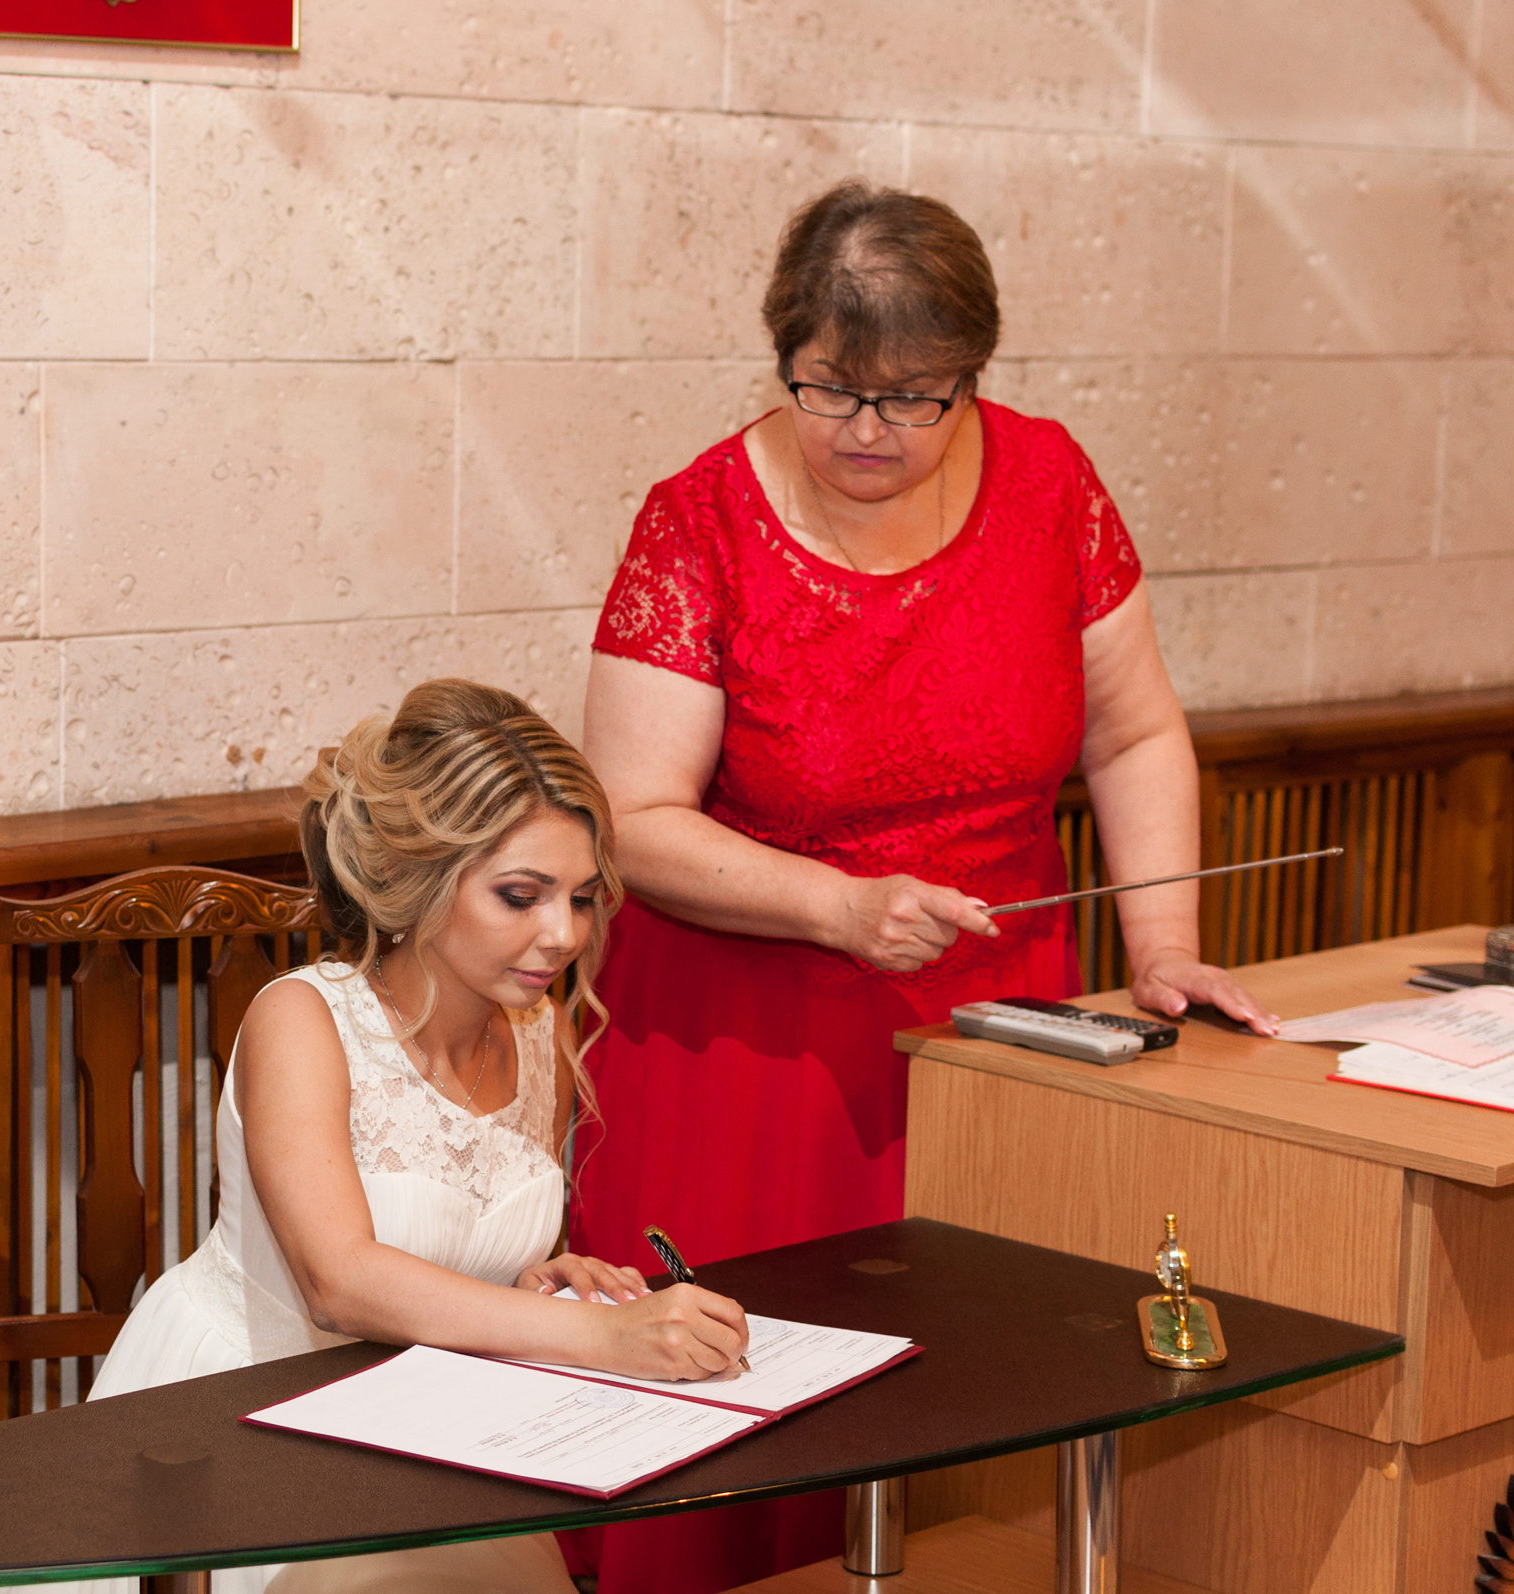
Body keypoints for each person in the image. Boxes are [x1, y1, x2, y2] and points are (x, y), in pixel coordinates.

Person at [566, 181, 1275, 1590]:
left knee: (981, 1424)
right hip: (750, 1041)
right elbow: (631, 819)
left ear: (974, 378)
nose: (870, 432)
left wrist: (1165, 942)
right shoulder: (697, 519)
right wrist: (833, 904)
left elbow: (1131, 729)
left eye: (915, 397)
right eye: (832, 390)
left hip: (998, 1021)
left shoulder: (1052, 482)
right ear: (785, 355)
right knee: (748, 1441)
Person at [66, 679, 749, 1594]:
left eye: (582, 899)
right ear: (420, 883)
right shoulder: (302, 1021)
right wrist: (608, 1340)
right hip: (247, 1422)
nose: (562, 934)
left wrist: (539, 1273)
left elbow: (460, 1251)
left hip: (426, 1428)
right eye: (522, 895)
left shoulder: (538, 1030)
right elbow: (339, 1284)